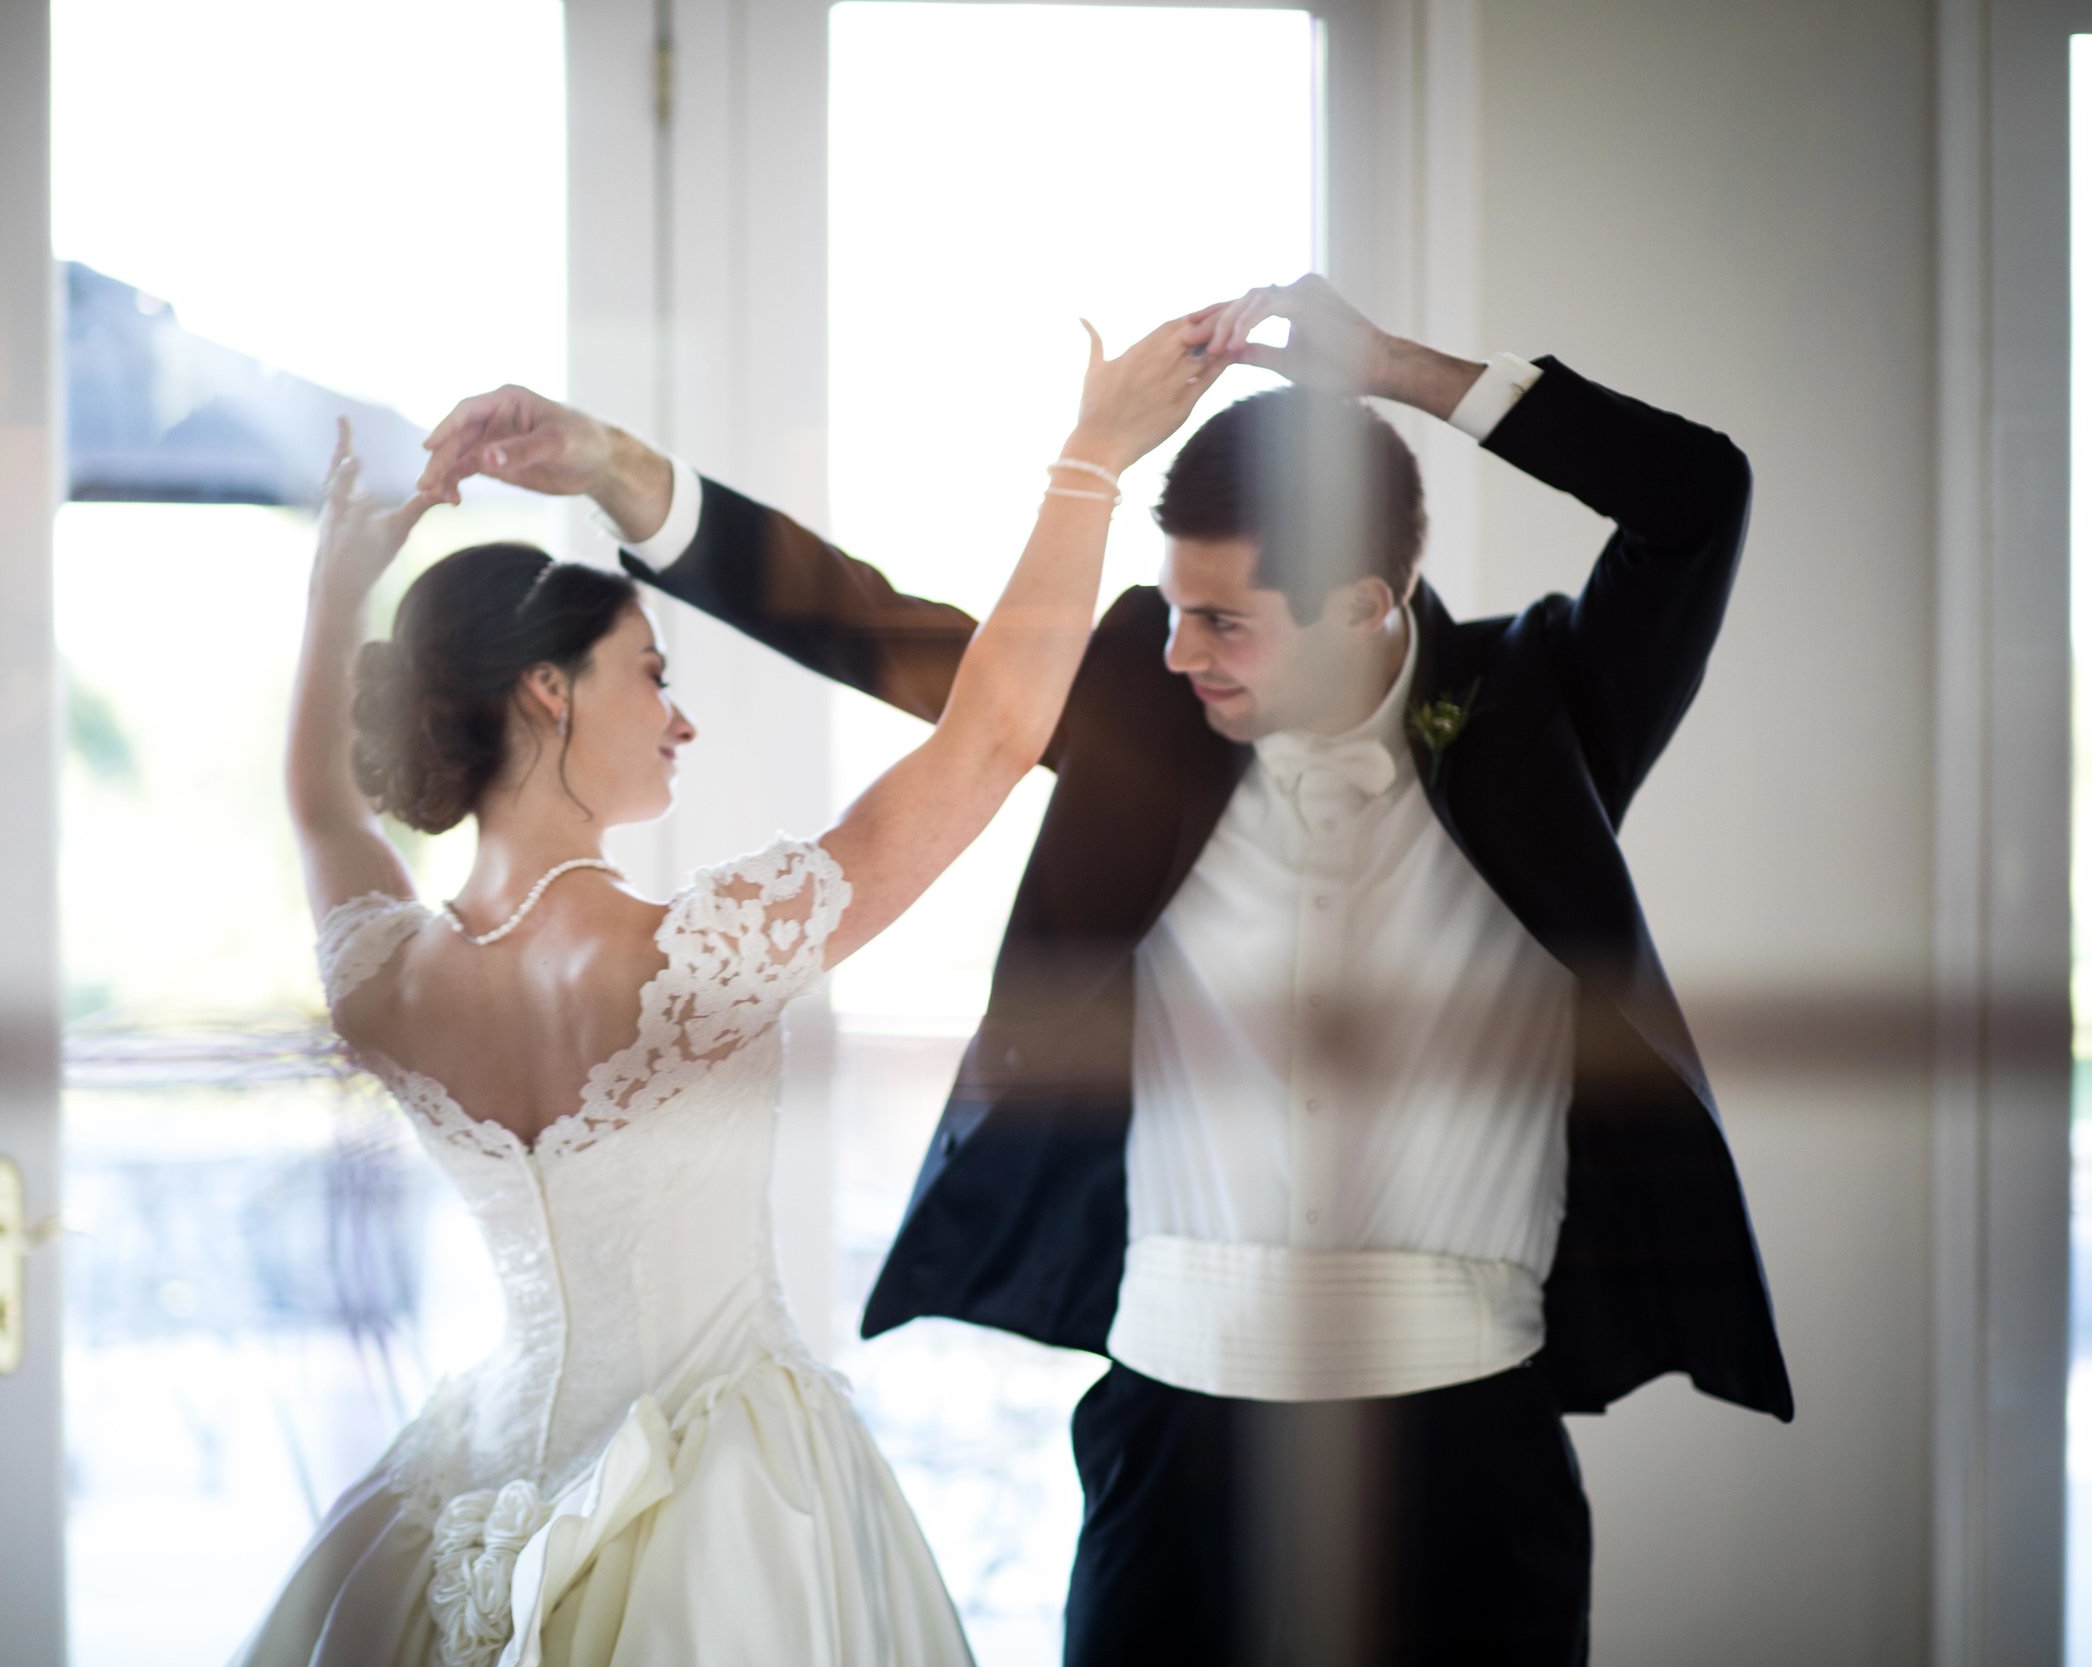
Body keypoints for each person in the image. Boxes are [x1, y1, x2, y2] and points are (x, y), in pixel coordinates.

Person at [415, 272, 1793, 1665]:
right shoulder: (1145, 697)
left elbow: (1697, 497)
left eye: (1227, 622)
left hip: (1471, 1441)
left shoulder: (1541, 710)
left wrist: (1399, 370)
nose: (1178, 649)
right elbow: (869, 625)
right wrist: (614, 470)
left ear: (1370, 603)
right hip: (1171, 1431)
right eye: (1174, 608)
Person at [232, 313, 1220, 1667]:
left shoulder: (386, 980)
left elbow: (314, 806)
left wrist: (332, 596)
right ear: (545, 691)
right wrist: (1093, 458)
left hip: (469, 1492)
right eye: (651, 674)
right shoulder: (699, 962)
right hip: (727, 1507)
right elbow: (991, 737)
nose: (679, 717)